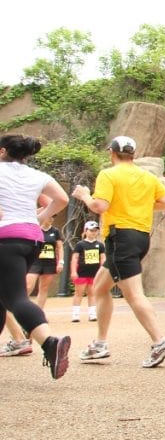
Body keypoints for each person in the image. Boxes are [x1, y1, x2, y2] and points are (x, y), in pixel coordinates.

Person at [71, 135, 165, 368]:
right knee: (100, 288)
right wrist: (140, 205)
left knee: (133, 294)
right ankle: (100, 344)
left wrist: (84, 195)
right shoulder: (147, 177)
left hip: (120, 237)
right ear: (133, 154)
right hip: (140, 237)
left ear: (112, 153)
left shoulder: (109, 174)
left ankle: (160, 341)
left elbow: (100, 206)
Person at [0, 134, 72, 378]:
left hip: (5, 238)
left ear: (2, 151)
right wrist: (40, 217)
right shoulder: (37, 175)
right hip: (31, 239)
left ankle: (50, 342)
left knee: (16, 298)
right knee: (4, 297)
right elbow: (61, 199)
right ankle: (48, 343)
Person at [70, 220, 105, 323]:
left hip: (94, 273)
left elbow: (102, 258)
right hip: (82, 272)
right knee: (78, 293)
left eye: (95, 231)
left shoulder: (100, 245)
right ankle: (75, 314)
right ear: (86, 231)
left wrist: (102, 270)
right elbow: (75, 258)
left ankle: (92, 314)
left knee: (92, 293)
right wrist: (73, 271)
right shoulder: (80, 244)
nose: (93, 232)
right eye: (91, 230)